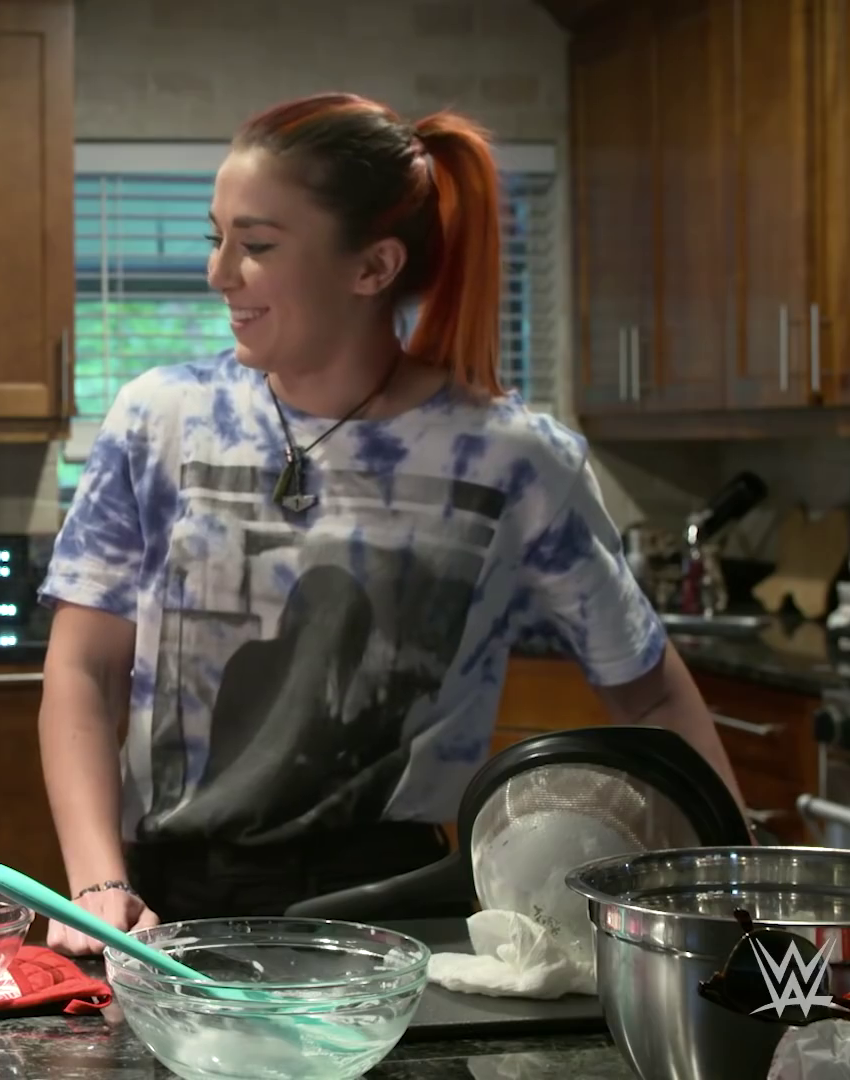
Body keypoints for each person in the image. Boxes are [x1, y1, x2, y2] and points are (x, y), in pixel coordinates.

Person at [36, 93, 744, 956]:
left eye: (256, 245)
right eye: (215, 238)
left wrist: (744, 894)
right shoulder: (159, 419)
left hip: (400, 917)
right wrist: (98, 884)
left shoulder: (513, 458)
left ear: (372, 267)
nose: (219, 273)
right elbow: (83, 669)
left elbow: (652, 692)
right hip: (170, 910)